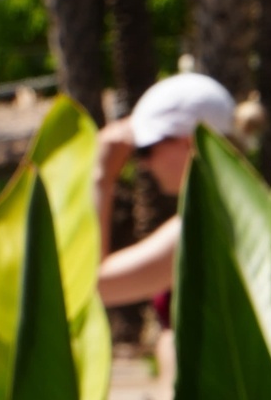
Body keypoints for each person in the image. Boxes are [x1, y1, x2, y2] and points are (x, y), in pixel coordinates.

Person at [93, 72, 241, 307]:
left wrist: (101, 177)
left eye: (145, 150)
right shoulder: (231, 207)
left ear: (189, 142)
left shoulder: (207, 222)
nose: (143, 163)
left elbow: (93, 285)